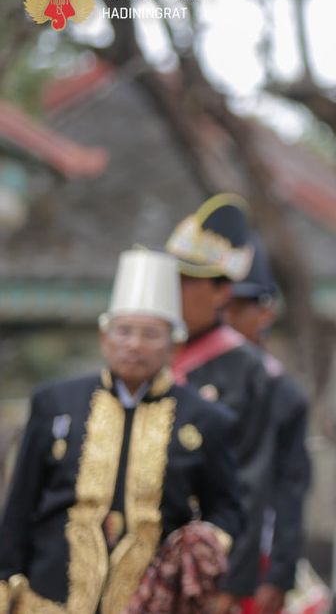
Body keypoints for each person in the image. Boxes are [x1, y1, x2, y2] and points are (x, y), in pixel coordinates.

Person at [0, 247, 243, 611]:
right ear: (104, 338)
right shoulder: (55, 402)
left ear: (174, 346)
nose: (134, 344)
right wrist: (7, 578)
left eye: (149, 334)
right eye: (124, 331)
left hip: (148, 601)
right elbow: (21, 502)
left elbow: (227, 507)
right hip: (48, 599)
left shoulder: (206, 419)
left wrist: (204, 542)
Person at [165, 193, 277, 611]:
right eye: (174, 276)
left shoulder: (245, 368)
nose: (176, 289)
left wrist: (231, 580)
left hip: (207, 558)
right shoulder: (155, 355)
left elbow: (249, 479)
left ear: (221, 291)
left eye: (189, 279)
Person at [222, 234, 312, 614]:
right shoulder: (183, 379)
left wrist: (279, 573)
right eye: (221, 305)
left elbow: (290, 488)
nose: (225, 317)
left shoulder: (281, 392)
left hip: (254, 554)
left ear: (264, 313)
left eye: (237, 306)